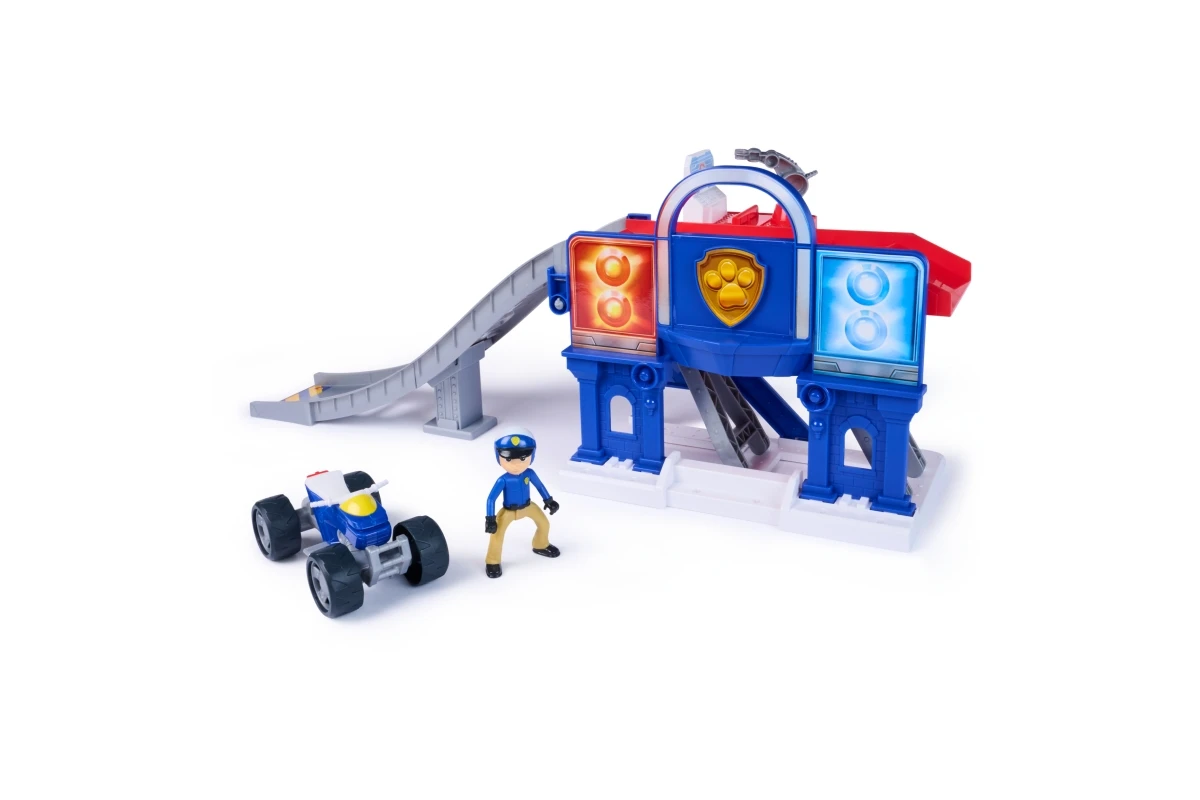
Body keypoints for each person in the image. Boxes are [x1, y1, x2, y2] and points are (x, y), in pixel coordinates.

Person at [484, 427, 560, 578]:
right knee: (497, 534)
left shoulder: (529, 474)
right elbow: (491, 499)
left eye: (523, 458)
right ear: (498, 457)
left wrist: (549, 500)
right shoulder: (503, 480)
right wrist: (490, 519)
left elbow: (540, 486)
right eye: (509, 459)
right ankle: (492, 560)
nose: (516, 464)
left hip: (528, 506)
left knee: (544, 523)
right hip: (508, 511)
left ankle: (540, 544)